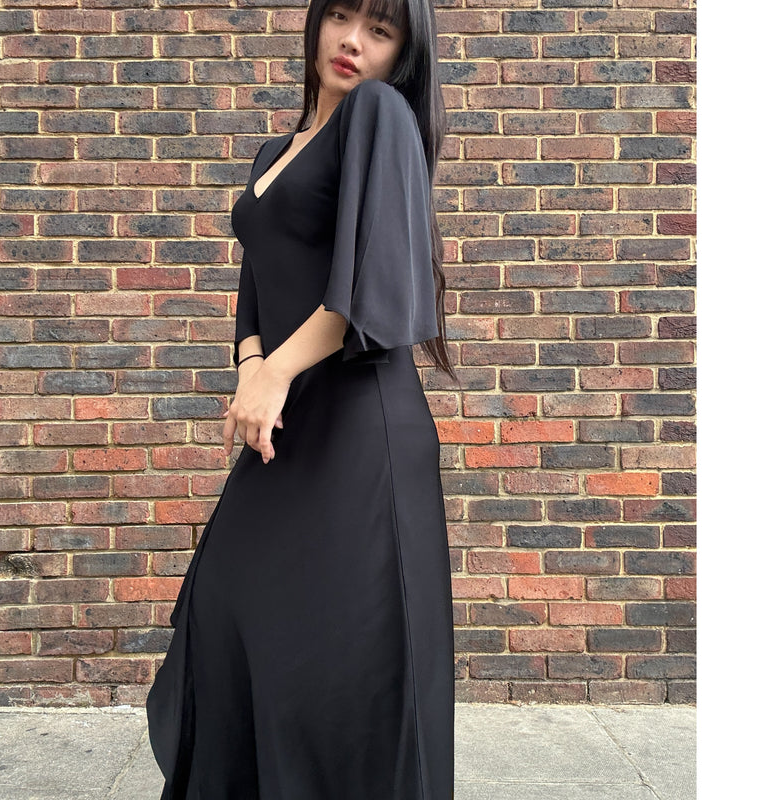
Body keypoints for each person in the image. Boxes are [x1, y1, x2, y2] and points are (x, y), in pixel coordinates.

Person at [146, 0, 456, 796]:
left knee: (341, 666)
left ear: (403, 52)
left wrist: (276, 372)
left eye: (380, 31)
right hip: (287, 421)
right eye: (342, 16)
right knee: (224, 609)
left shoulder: (378, 116)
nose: (352, 42)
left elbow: (377, 283)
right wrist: (253, 364)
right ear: (316, 20)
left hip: (360, 426)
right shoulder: (275, 151)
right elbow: (260, 272)